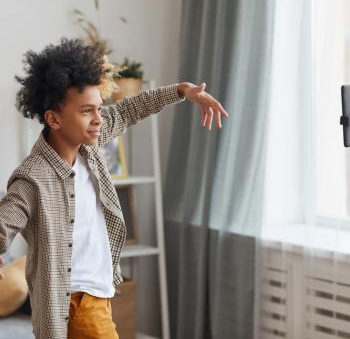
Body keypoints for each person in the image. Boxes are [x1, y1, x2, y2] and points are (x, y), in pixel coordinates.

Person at [0, 38, 228, 339]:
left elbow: (128, 110)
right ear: (54, 119)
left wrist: (181, 91)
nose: (98, 119)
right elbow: (7, 216)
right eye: (86, 111)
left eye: (98, 108)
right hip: (76, 303)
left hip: (97, 295)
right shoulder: (33, 178)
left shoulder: (87, 147)